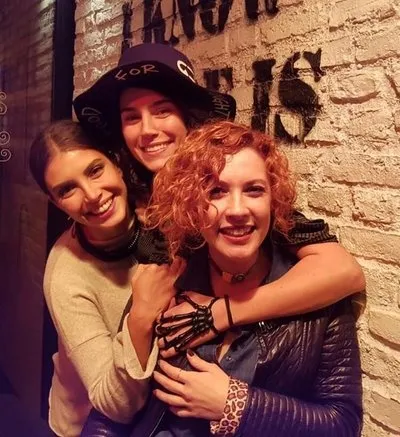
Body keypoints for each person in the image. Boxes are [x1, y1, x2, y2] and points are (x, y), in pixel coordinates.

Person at [73, 42, 365, 360]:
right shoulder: (129, 196)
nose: (147, 130)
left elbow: (343, 271)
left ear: (189, 118)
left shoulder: (231, 186)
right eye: (131, 118)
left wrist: (222, 313)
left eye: (162, 111)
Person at [83, 121, 363, 436]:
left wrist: (235, 405)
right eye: (216, 191)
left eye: (254, 190)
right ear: (191, 204)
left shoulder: (315, 290)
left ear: (273, 199)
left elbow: (343, 423)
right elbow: (109, 417)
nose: (237, 210)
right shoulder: (166, 280)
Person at [29, 120, 184, 437]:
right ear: (56, 203)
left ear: (116, 163)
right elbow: (113, 404)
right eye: (67, 190)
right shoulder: (66, 276)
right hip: (88, 426)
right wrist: (141, 316)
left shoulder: (158, 217)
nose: (91, 195)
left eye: (95, 170)